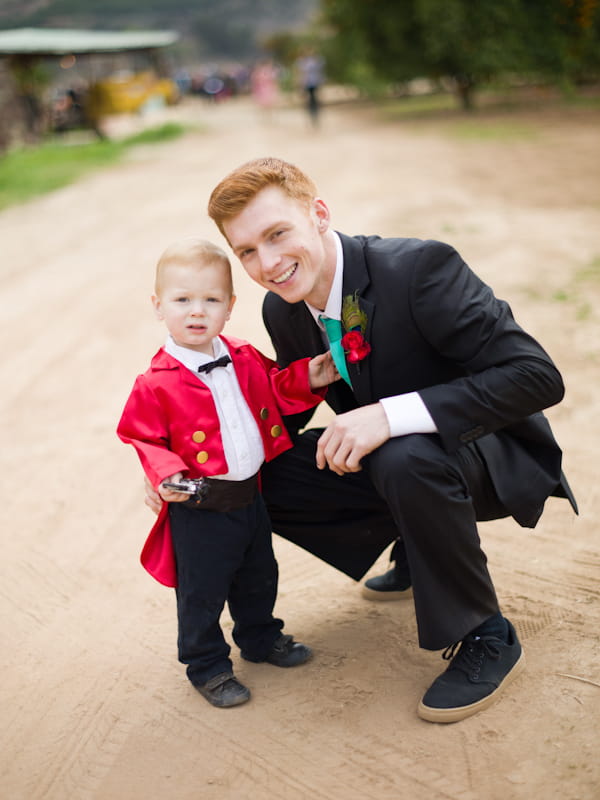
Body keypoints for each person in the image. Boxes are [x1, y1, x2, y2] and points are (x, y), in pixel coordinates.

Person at [146, 158, 577, 723]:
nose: (268, 263)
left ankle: (485, 634)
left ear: (319, 215)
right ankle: (416, 541)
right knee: (253, 475)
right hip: (408, 466)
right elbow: (282, 412)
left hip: (490, 452)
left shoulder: (420, 268)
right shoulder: (285, 307)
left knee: (401, 452)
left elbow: (537, 376)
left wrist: (390, 415)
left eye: (278, 235)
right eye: (247, 251)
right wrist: (178, 468)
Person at [118, 237, 339, 708]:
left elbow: (277, 390)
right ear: (159, 307)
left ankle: (260, 638)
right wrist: (168, 474)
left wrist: (309, 376)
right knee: (202, 591)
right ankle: (208, 665)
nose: (197, 312)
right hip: (200, 506)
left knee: (259, 574)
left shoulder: (240, 355)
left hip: (250, 497)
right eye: (182, 300)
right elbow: (143, 437)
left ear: (230, 307)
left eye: (211, 300)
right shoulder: (155, 382)